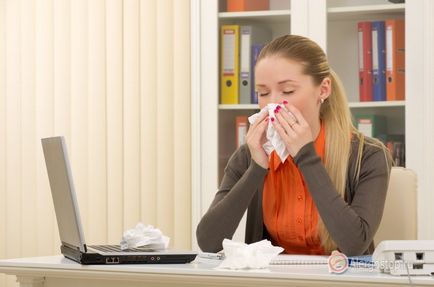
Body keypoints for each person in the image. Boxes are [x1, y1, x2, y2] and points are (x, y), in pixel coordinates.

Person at [196, 35, 392, 256]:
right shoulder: (249, 155)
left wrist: (306, 157)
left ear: (323, 89)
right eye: (263, 93)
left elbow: (355, 244)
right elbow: (208, 242)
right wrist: (256, 169)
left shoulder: (370, 156)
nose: (273, 103)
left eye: (287, 91)